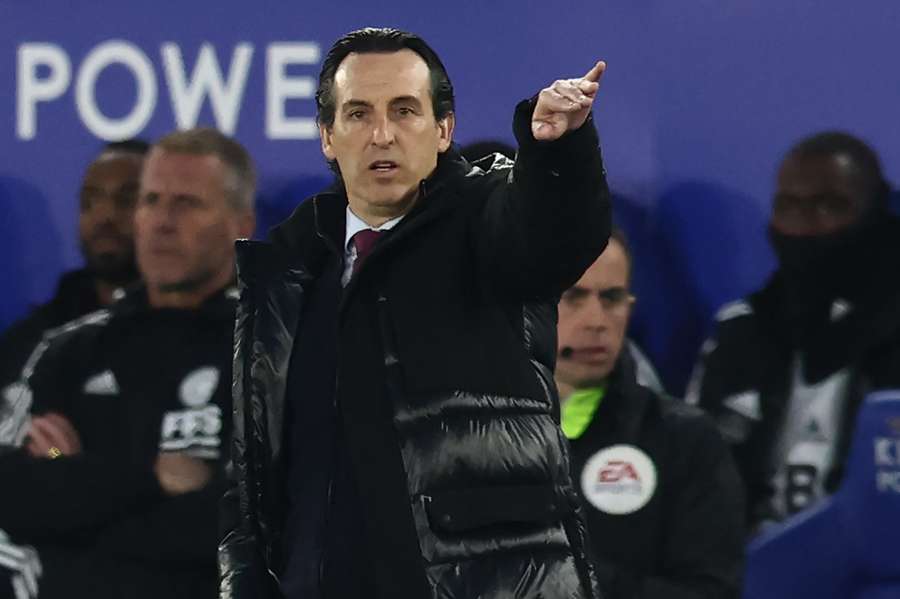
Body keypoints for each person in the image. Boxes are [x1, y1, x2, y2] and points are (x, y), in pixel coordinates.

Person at [219, 27, 611, 599]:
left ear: (443, 129)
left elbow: (557, 232)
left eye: (405, 111)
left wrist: (558, 152)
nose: (382, 134)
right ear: (328, 136)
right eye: (358, 114)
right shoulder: (287, 266)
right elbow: (252, 471)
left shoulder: (489, 220)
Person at [0, 128, 256, 599]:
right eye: (151, 200)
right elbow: (12, 496)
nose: (162, 221)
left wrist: (75, 485)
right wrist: (153, 478)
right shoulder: (68, 349)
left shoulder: (270, 350)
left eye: (187, 204)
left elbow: (246, 528)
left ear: (240, 224)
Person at [686, 131, 900, 534]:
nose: (804, 226)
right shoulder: (740, 330)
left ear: (875, 214)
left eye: (829, 205)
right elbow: (696, 479)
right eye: (790, 207)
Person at [556, 230, 744, 598]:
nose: (597, 320)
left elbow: (712, 592)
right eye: (572, 297)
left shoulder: (686, 439)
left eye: (611, 298)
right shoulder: (469, 432)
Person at [0, 140, 147, 429]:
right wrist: (58, 458)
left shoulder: (202, 333)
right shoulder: (31, 342)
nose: (104, 216)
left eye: (126, 200)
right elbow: (24, 447)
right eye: (89, 201)